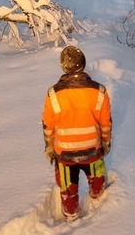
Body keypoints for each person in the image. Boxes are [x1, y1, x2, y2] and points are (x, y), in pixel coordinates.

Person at [42, 45, 112, 221]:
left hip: (64, 154)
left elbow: (48, 125)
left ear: (63, 67)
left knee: (68, 187)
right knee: (97, 176)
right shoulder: (100, 91)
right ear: (83, 65)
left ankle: (71, 213)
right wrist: (105, 143)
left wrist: (49, 147)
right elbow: (106, 123)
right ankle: (97, 196)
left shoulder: (53, 94)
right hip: (93, 150)